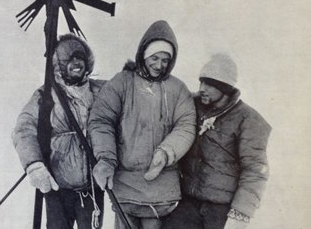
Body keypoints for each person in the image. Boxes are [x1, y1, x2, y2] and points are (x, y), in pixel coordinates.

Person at [88, 20, 196, 229]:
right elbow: (102, 120)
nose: (159, 65)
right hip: (125, 182)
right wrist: (106, 159)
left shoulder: (177, 89)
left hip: (161, 184)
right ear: (143, 54)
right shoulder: (122, 82)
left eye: (166, 60)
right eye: (154, 58)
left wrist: (165, 153)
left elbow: (186, 125)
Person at [163, 54, 272, 229]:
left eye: (210, 84)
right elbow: (166, 95)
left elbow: (255, 170)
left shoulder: (248, 120)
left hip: (221, 208)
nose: (202, 88)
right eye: (201, 82)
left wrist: (240, 213)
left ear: (225, 88)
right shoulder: (194, 106)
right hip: (190, 202)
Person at [12, 33, 105, 229]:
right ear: (59, 64)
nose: (76, 63)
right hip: (57, 188)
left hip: (92, 190)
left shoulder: (101, 91)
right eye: (69, 59)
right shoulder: (45, 95)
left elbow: (129, 93)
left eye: (80, 57)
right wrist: (34, 165)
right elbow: (24, 129)